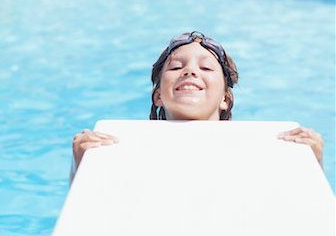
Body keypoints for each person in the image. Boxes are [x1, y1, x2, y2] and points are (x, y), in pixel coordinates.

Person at [71, 31, 324, 181]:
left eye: (205, 67)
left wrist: (312, 163)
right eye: (176, 67)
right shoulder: (123, 150)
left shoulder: (257, 151)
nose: (190, 71)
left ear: (225, 98)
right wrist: (82, 164)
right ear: (158, 95)